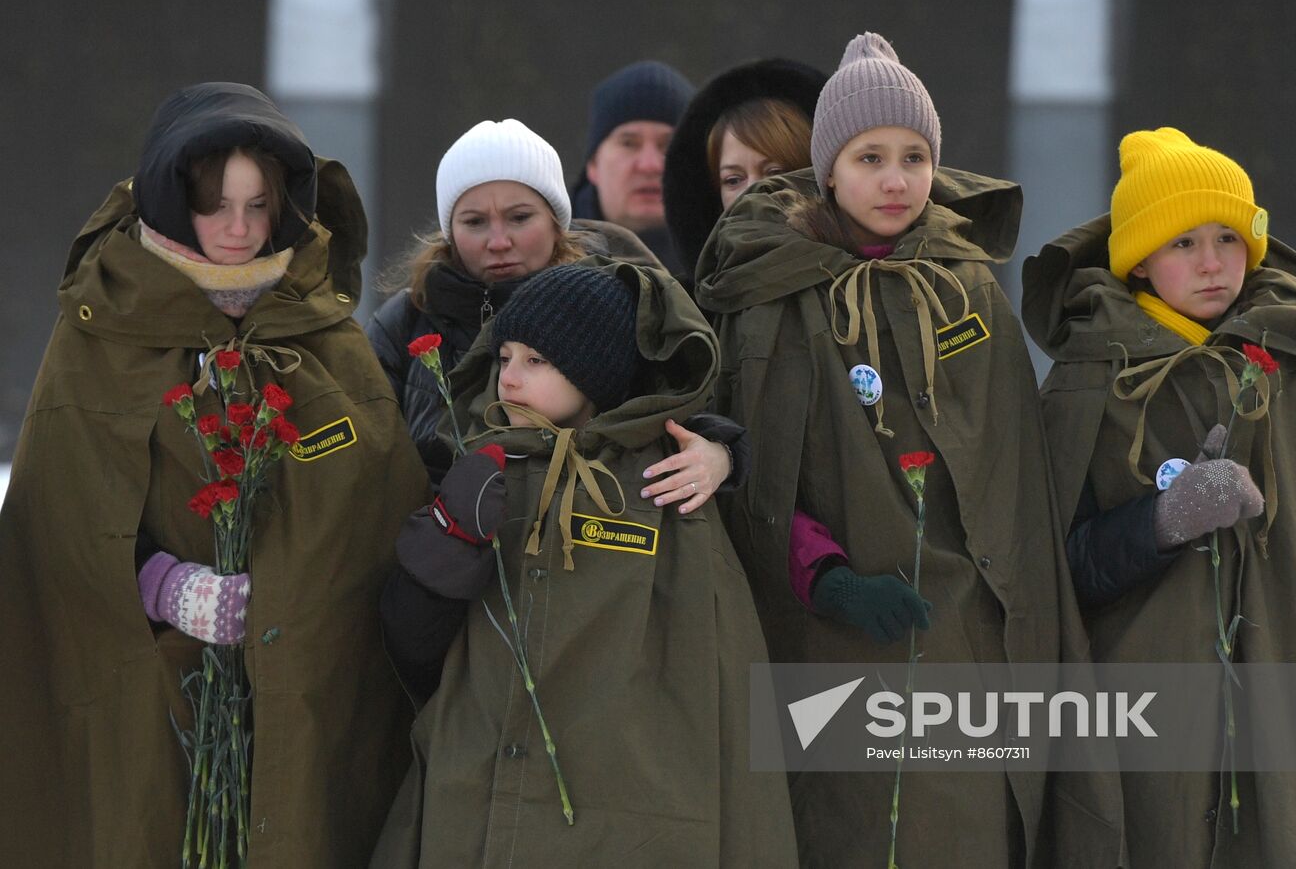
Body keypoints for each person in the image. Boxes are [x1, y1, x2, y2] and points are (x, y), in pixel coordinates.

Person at [694, 32, 1121, 867]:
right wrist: (826, 574)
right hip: (830, 635)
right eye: (870, 156)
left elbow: (1016, 478)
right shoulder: (769, 299)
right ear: (827, 170)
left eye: (916, 156)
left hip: (971, 641)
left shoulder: (969, 289)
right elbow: (756, 477)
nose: (896, 179)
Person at [0, 82, 429, 867]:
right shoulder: (106, 328)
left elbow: (376, 508)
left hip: (307, 693)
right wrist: (163, 585)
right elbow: (55, 522)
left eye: (258, 205)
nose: (238, 229)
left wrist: (302, 588)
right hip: (153, 689)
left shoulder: (321, 329)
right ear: (172, 201)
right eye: (214, 204)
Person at [1022, 126, 1296, 868]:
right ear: (1138, 262)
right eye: (1182, 242)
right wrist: (1163, 521)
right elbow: (1056, 572)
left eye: (1228, 236)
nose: (1212, 261)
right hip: (1148, 721)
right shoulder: (1089, 384)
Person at [371, 263, 799, 867]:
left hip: (631, 806)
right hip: (485, 791)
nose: (510, 379)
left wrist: (724, 451)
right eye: (505, 358)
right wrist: (448, 538)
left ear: (596, 371)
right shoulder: (480, 464)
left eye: (537, 361)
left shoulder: (663, 481)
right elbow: (412, 650)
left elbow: (720, 666)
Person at [368, 118, 745, 501]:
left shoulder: (617, 302)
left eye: (519, 217)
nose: (498, 241)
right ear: (450, 230)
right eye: (475, 222)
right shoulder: (405, 320)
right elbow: (366, 455)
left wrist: (722, 454)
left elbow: (688, 400)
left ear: (556, 222)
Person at [663, 57, 825, 289]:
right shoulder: (688, 315)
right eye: (733, 180)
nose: (752, 193)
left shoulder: (869, 289)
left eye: (774, 172)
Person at [570, 60, 694, 272]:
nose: (650, 165)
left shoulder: (730, 267)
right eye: (629, 143)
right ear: (593, 164)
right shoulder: (537, 257)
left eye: (668, 145)